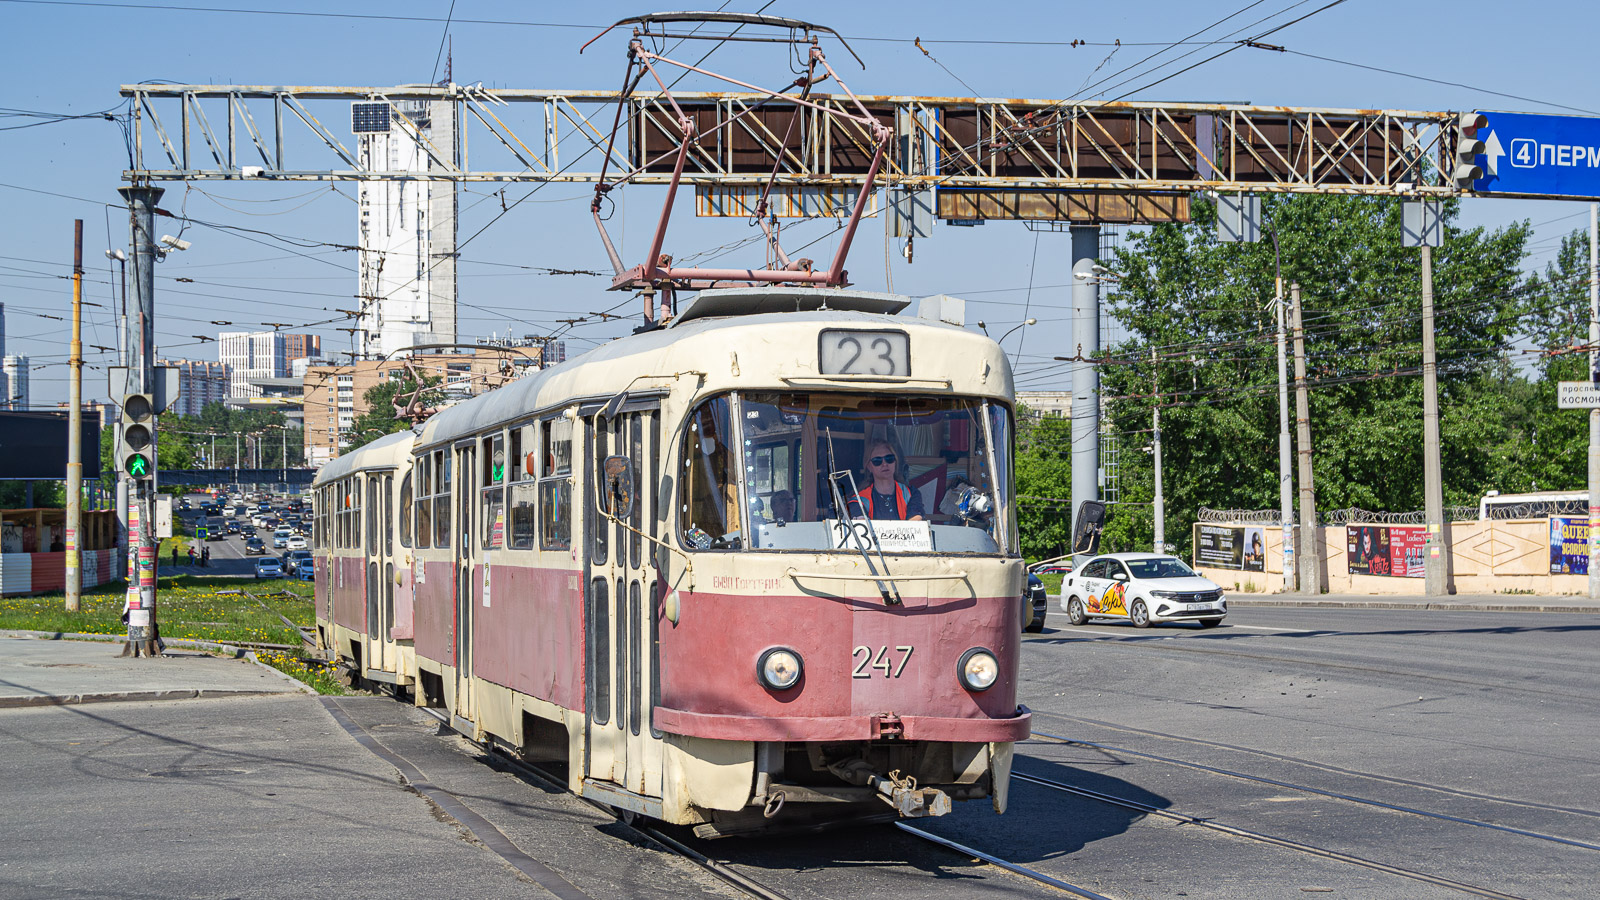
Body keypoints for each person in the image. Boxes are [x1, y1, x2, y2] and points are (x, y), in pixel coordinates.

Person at [851, 440, 924, 521]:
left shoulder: (911, 493)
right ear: (869, 467)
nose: (884, 464)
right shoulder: (859, 499)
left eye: (889, 458)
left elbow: (916, 520)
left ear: (895, 462)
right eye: (877, 461)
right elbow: (862, 526)